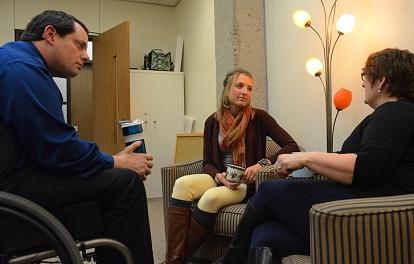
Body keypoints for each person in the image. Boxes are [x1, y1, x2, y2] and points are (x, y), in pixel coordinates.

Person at [214, 48, 414, 264]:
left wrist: (306, 158)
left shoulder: (395, 112)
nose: (363, 83)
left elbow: (369, 169)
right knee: (265, 235)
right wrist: (309, 162)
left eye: (365, 77)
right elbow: (357, 158)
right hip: (363, 205)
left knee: (269, 192)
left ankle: (228, 261)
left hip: (369, 211)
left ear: (381, 81)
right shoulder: (395, 115)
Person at [0, 10, 154, 264]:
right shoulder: (21, 70)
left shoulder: (15, 61)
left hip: (14, 176)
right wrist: (116, 162)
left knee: (106, 178)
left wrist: (105, 161)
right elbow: (56, 150)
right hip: (11, 188)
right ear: (50, 34)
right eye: (79, 45)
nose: (85, 55)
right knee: (125, 183)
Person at [163, 68, 300, 264]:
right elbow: (207, 161)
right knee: (181, 184)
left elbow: (291, 145)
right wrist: (217, 175)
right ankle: (174, 260)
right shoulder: (213, 121)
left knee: (210, 197)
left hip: (243, 183)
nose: (245, 91)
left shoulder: (259, 118)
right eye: (239, 86)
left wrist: (261, 164)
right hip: (219, 178)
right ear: (227, 90)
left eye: (250, 88)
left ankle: (175, 260)